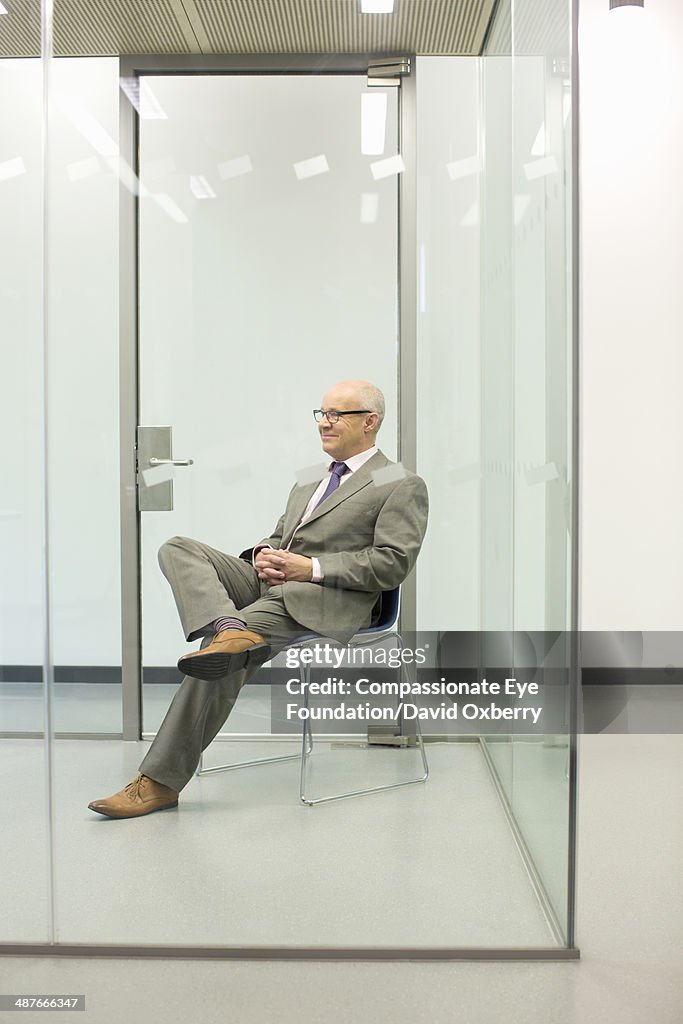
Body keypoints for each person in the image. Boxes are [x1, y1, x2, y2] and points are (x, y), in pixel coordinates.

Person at [88, 380, 429, 818]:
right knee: (179, 548)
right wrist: (263, 555)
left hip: (325, 597)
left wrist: (311, 569)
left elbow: (392, 564)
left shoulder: (400, 483)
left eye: (335, 415)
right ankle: (230, 629)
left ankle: (158, 783)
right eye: (320, 413)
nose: (324, 423)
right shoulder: (312, 477)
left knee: (219, 659)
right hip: (276, 581)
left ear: (370, 421)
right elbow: (282, 534)